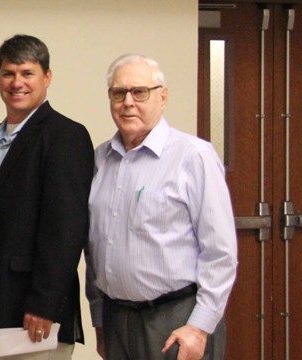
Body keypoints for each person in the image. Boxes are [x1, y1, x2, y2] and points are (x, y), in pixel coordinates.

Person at [0, 34, 94, 359]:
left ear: (47, 77)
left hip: (33, 311)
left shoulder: (65, 136)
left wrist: (44, 303)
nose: (17, 82)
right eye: (8, 73)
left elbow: (65, 230)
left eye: (27, 73)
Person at [85, 54, 237, 360]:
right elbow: (94, 248)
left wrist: (199, 327)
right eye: (119, 93)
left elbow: (220, 251)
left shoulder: (193, 156)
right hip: (117, 320)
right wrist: (100, 321)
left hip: (177, 320)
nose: (128, 102)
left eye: (139, 92)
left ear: (162, 97)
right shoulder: (99, 160)